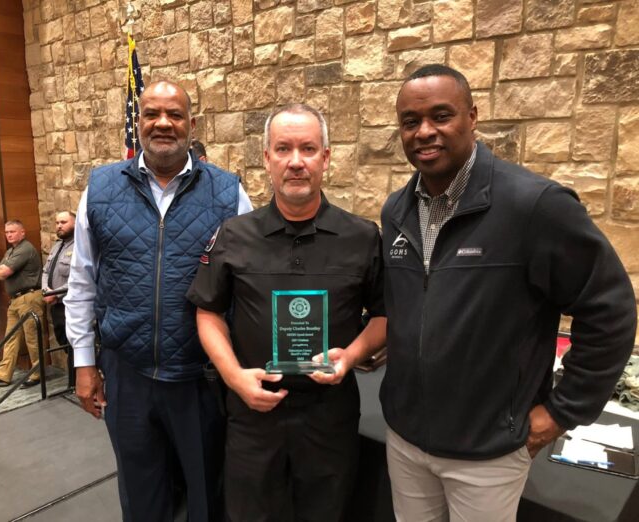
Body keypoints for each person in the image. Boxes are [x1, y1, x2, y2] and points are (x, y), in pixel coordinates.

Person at [381, 64, 637, 521]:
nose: (424, 132)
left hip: (488, 452)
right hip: (405, 440)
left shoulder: (534, 206)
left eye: (441, 116)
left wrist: (561, 411)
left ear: (472, 116)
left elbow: (610, 310)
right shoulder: (396, 211)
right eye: (410, 121)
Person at [187, 103, 387, 522]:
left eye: (308, 149)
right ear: (267, 159)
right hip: (253, 414)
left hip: (329, 416)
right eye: (283, 149)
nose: (296, 161)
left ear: (325, 158)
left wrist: (350, 357)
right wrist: (234, 378)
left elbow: (385, 316)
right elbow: (208, 313)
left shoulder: (363, 237)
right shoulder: (234, 235)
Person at [64, 80, 253, 522]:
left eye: (175, 114)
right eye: (151, 114)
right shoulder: (101, 188)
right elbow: (82, 282)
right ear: (138, 122)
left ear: (191, 124)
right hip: (126, 374)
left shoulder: (229, 193)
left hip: (199, 377)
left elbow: (247, 286)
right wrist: (84, 363)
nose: (163, 123)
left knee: (208, 493)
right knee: (141, 492)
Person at [0, 220, 45, 388]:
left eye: (13, 231)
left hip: (29, 298)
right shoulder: (11, 251)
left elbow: (3, 272)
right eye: (7, 232)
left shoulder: (25, 249)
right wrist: (0, 271)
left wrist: (1, 271)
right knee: (10, 337)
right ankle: (3, 374)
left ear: (22, 232)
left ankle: (38, 373)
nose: (9, 235)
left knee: (32, 338)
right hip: (15, 300)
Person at [41, 211, 75, 368]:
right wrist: (46, 290)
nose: (59, 226)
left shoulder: (80, 247)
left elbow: (78, 279)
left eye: (63, 222)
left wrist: (54, 293)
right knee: (63, 341)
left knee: (74, 347)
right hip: (55, 305)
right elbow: (46, 271)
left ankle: (77, 379)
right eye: (57, 223)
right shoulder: (57, 246)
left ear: (75, 223)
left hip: (70, 305)